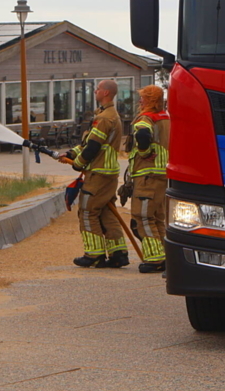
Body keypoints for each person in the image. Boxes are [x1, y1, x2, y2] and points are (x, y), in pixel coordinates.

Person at [59, 79, 127, 268]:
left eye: (98, 89)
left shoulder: (104, 118)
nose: (95, 91)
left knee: (87, 211)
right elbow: (88, 143)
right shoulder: (108, 115)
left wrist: (78, 163)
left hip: (98, 173)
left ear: (106, 93)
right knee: (106, 211)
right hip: (107, 173)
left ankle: (94, 255)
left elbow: (93, 147)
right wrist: (71, 154)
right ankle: (118, 254)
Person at [128, 85, 170, 273]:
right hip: (162, 173)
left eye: (143, 98)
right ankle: (165, 255)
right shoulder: (166, 118)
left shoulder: (146, 118)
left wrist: (144, 153)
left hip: (147, 174)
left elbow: (142, 134)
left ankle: (154, 259)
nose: (140, 101)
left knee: (142, 216)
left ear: (150, 100)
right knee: (158, 217)